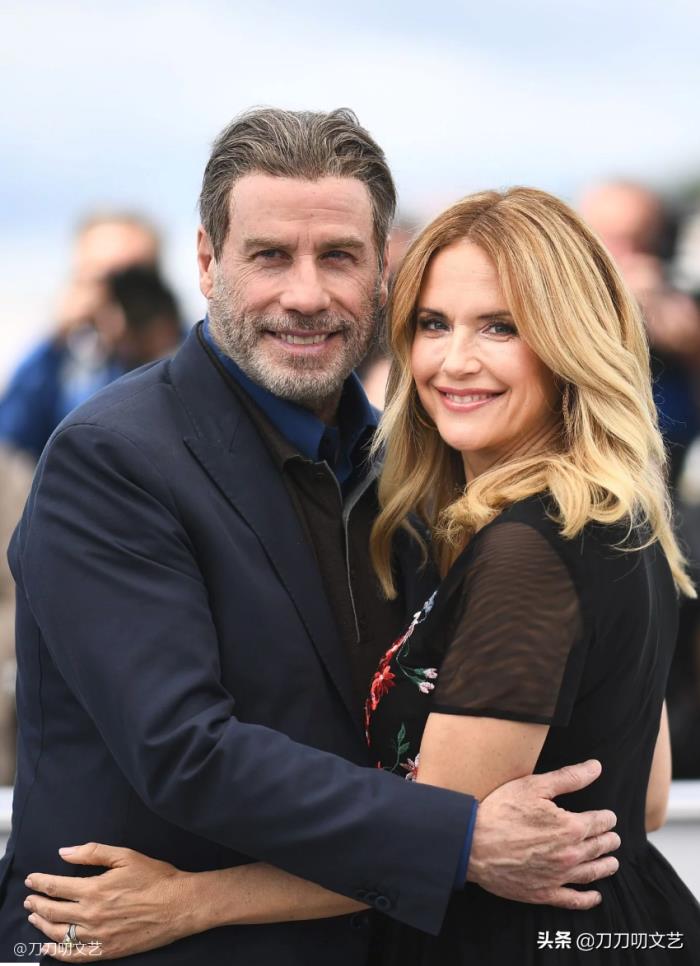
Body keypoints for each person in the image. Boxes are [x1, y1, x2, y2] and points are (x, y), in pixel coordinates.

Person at [2, 113, 619, 965]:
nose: (305, 295)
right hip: (133, 946)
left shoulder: (410, 468)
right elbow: (186, 752)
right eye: (269, 256)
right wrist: (458, 838)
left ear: (382, 272)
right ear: (208, 262)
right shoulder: (110, 459)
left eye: (337, 256)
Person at [0, 213, 162, 462]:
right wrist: (56, 338)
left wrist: (150, 343)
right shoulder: (64, 365)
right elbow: (11, 438)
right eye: (99, 280)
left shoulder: (185, 351)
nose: (114, 295)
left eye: (129, 279)